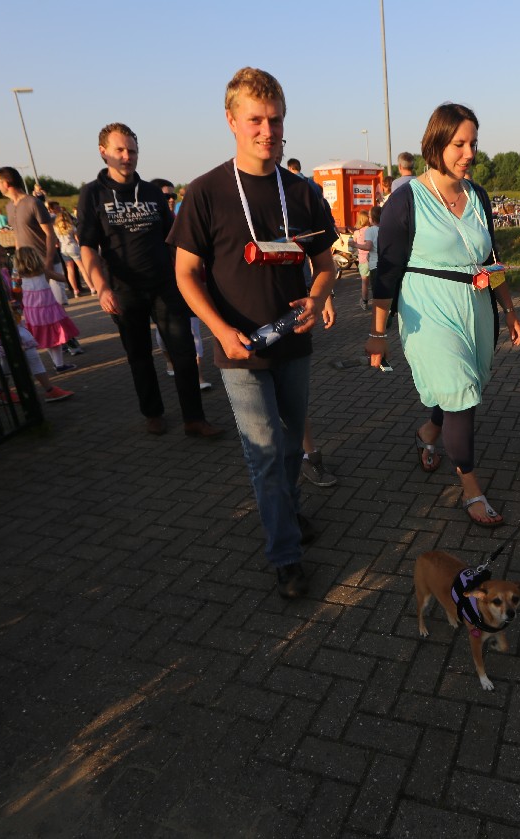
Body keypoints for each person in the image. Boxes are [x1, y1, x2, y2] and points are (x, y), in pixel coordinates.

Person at [169, 67, 338, 598]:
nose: (268, 131)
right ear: (231, 121)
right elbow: (185, 274)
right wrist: (220, 330)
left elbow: (326, 264)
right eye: (256, 120)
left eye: (276, 120)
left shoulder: (302, 192)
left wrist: (317, 297)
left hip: (293, 341)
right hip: (238, 347)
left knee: (289, 448)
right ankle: (285, 555)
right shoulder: (206, 192)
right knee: (264, 452)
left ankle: (287, 513)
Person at [366, 103, 520, 527]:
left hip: (475, 307)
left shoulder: (478, 196)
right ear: (436, 144)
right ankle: (471, 488)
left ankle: (429, 432)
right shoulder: (406, 200)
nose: (469, 153)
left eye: (473, 143)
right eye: (459, 144)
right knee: (460, 391)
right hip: (428, 308)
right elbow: (387, 272)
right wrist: (378, 333)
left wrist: (509, 309)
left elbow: (490, 259)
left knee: (464, 387)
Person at [77, 123, 223, 439]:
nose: (127, 156)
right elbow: (87, 246)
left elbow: (174, 239)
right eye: (120, 150)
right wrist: (101, 288)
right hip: (123, 290)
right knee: (139, 356)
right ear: (103, 152)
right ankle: (153, 413)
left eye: (132, 150)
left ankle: (194, 419)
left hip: (164, 286)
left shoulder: (152, 192)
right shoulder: (92, 194)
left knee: (184, 351)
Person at [12, 245, 79, 373]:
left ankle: (57, 363)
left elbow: (15, 291)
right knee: (55, 337)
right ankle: (59, 365)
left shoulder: (17, 276)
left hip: (33, 313)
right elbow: (63, 278)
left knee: (46, 338)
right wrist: (71, 272)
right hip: (50, 311)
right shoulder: (43, 272)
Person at [352, 207, 379, 310]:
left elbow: (352, 248)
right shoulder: (374, 229)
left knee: (365, 283)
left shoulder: (357, 232)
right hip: (374, 260)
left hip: (363, 260)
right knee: (375, 283)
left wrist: (355, 245)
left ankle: (364, 302)